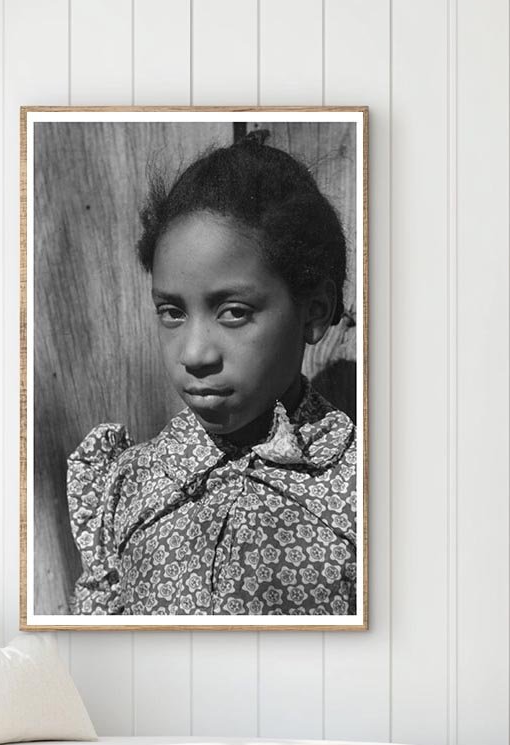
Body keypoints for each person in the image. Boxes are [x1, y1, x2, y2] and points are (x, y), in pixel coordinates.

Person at [66, 129, 357, 616]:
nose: (196, 354)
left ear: (314, 312)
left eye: (235, 312)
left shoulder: (361, 492)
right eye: (172, 312)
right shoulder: (129, 483)